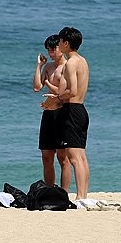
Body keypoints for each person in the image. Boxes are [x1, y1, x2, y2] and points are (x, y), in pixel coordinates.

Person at [46, 27, 91, 199]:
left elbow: (72, 90)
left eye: (59, 41)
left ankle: (80, 196)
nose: (58, 44)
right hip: (81, 109)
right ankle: (83, 195)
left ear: (66, 43)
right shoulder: (83, 60)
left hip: (72, 110)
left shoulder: (71, 63)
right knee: (81, 156)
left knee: (74, 157)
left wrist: (56, 96)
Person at [32, 34, 71, 190]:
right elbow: (36, 87)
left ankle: (64, 192)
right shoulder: (49, 67)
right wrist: (39, 67)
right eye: (49, 50)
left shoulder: (67, 66)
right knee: (46, 156)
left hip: (62, 113)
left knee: (63, 157)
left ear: (61, 47)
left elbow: (63, 91)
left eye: (53, 49)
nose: (51, 53)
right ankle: (49, 190)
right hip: (48, 114)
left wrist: (48, 82)